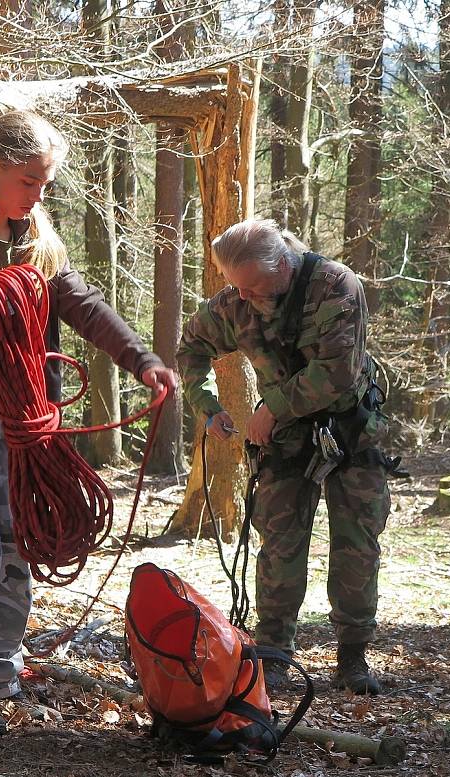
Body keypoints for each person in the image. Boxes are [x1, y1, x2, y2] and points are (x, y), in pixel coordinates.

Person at [0, 110, 177, 734]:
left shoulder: (37, 233)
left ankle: (0, 673)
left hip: (21, 423)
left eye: (45, 182)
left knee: (20, 545)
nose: (39, 194)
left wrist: (142, 359)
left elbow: (81, 302)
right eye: (30, 180)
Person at [177, 218, 393, 696]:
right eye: (237, 287)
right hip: (285, 441)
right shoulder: (238, 298)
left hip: (350, 431)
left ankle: (353, 657)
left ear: (284, 265)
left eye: (255, 286)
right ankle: (274, 655)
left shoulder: (336, 286)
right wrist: (208, 407)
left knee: (357, 546)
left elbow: (337, 372)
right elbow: (190, 348)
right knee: (278, 547)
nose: (246, 297)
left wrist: (271, 407)